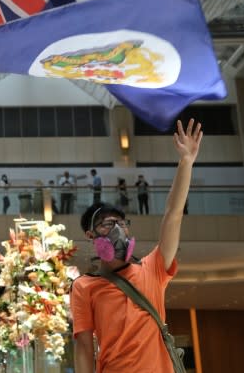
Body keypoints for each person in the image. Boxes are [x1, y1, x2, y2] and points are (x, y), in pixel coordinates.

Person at [71, 119, 201, 373]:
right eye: (108, 225)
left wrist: (186, 162)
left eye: (122, 223)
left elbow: (173, 213)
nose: (118, 230)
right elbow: (84, 347)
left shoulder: (153, 268)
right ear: (91, 235)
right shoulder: (84, 286)